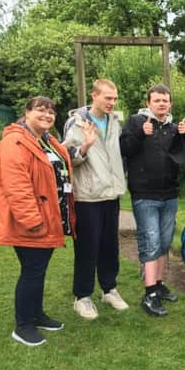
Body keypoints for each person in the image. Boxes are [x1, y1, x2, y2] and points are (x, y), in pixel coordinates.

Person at [0, 96, 74, 346]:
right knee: (32, 271)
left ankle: (37, 314)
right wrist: (32, 220)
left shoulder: (46, 141)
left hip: (48, 217)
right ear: (26, 113)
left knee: (38, 270)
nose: (47, 115)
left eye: (51, 112)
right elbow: (17, 186)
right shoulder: (15, 141)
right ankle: (23, 325)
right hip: (31, 221)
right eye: (40, 111)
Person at [120, 84, 185, 316]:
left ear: (170, 104)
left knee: (163, 242)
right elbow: (124, 148)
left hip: (169, 194)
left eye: (165, 100)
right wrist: (142, 133)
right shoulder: (136, 122)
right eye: (157, 100)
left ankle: (159, 285)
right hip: (144, 194)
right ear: (149, 102)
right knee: (150, 243)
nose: (161, 104)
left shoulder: (173, 128)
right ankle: (149, 294)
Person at [62, 79, 128, 320]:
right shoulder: (77, 122)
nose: (112, 102)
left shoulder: (114, 122)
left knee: (110, 245)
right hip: (88, 196)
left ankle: (109, 289)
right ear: (94, 95)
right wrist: (85, 146)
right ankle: (82, 297)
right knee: (88, 248)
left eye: (114, 98)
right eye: (107, 97)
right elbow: (67, 157)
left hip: (111, 193)